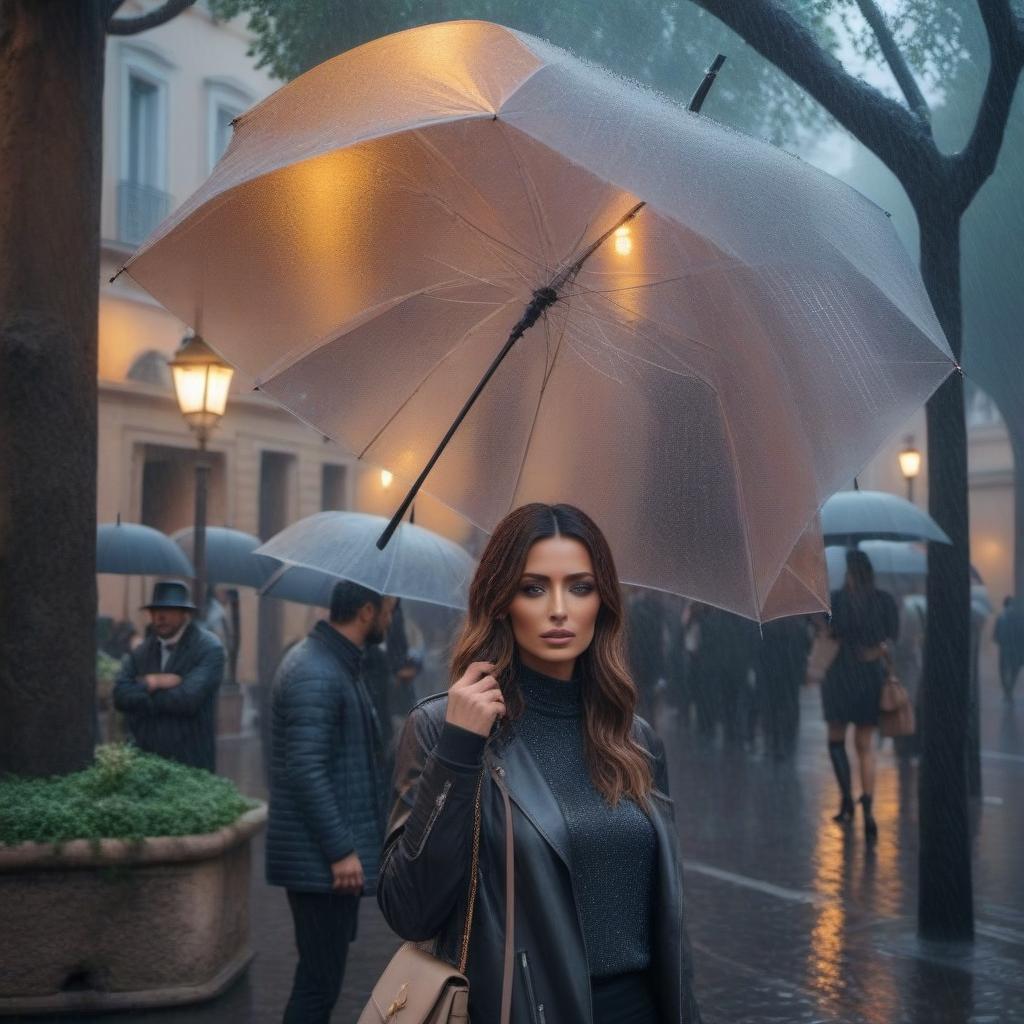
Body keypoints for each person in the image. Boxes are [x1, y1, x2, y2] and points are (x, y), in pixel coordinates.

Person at [377, 503, 702, 1024]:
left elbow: (669, 929)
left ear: (604, 602)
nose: (558, 609)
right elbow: (408, 907)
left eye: (579, 587)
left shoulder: (636, 741)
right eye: (533, 588)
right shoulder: (443, 728)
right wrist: (458, 752)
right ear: (501, 601)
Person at [265, 580, 396, 1024]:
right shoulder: (316, 671)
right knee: (317, 986)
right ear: (366, 611)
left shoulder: (337, 665)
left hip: (321, 861)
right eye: (388, 610)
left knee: (321, 981)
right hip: (319, 862)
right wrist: (341, 850)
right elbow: (304, 768)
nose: (390, 619)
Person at [822, 549, 899, 842]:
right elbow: (891, 637)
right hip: (870, 678)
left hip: (841, 676)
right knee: (865, 746)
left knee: (836, 740)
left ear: (850, 574)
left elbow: (827, 632)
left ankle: (846, 799)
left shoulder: (838, 601)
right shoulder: (884, 601)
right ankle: (867, 806)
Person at [113, 580, 225, 771]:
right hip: (146, 763)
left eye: (168, 610)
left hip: (190, 764)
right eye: (155, 611)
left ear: (185, 613)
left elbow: (187, 700)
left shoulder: (208, 648)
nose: (160, 616)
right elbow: (120, 696)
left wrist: (140, 694)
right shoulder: (143, 650)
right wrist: (153, 682)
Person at [756, 615, 811, 760]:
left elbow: (757, 647)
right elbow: (806, 645)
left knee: (773, 707)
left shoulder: (765, 624)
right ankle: (786, 741)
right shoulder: (797, 623)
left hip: (771, 671)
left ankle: (775, 742)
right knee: (788, 705)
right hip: (789, 671)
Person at [994, 596, 1024, 703]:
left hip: (1015, 649)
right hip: (1005, 649)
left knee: (1014, 669)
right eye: (1009, 605)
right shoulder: (1000, 618)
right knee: (1003, 671)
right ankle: (1007, 690)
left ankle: (1009, 690)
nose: (1010, 608)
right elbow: (995, 635)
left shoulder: (1018, 618)